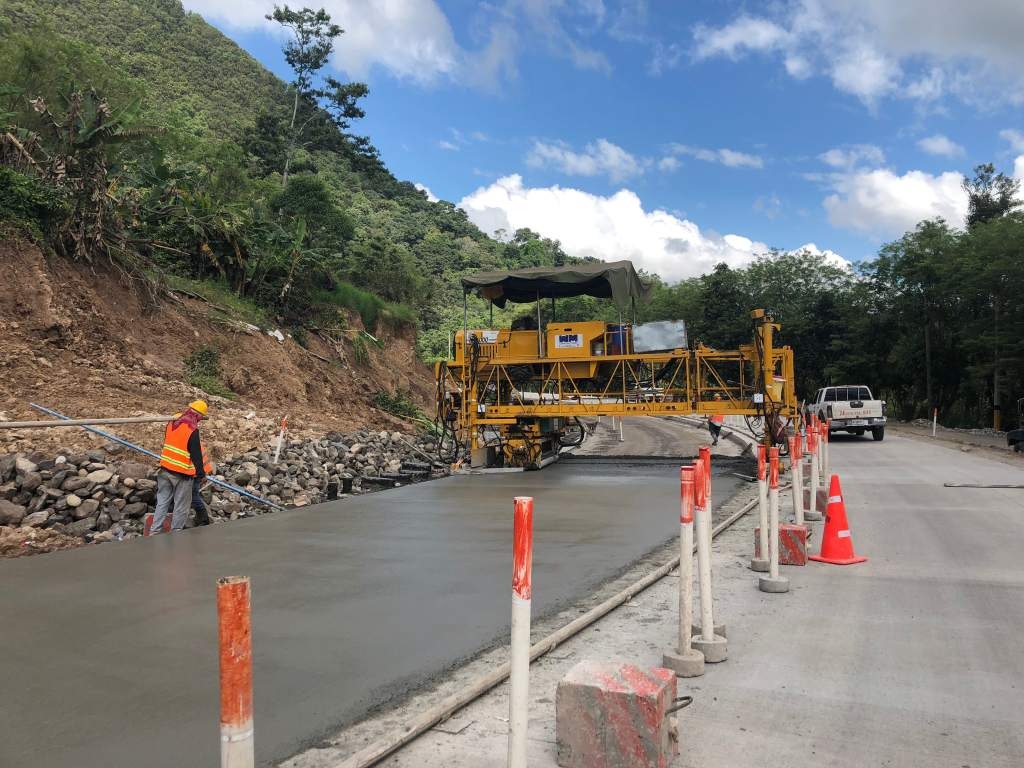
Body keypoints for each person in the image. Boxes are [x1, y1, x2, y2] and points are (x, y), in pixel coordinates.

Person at [151, 400, 208, 534]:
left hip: (164, 469)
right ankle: (176, 534)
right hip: (182, 475)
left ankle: (154, 532)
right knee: (181, 506)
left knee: (162, 503)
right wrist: (201, 474)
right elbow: (196, 454)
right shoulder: (192, 429)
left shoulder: (172, 422)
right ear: (199, 416)